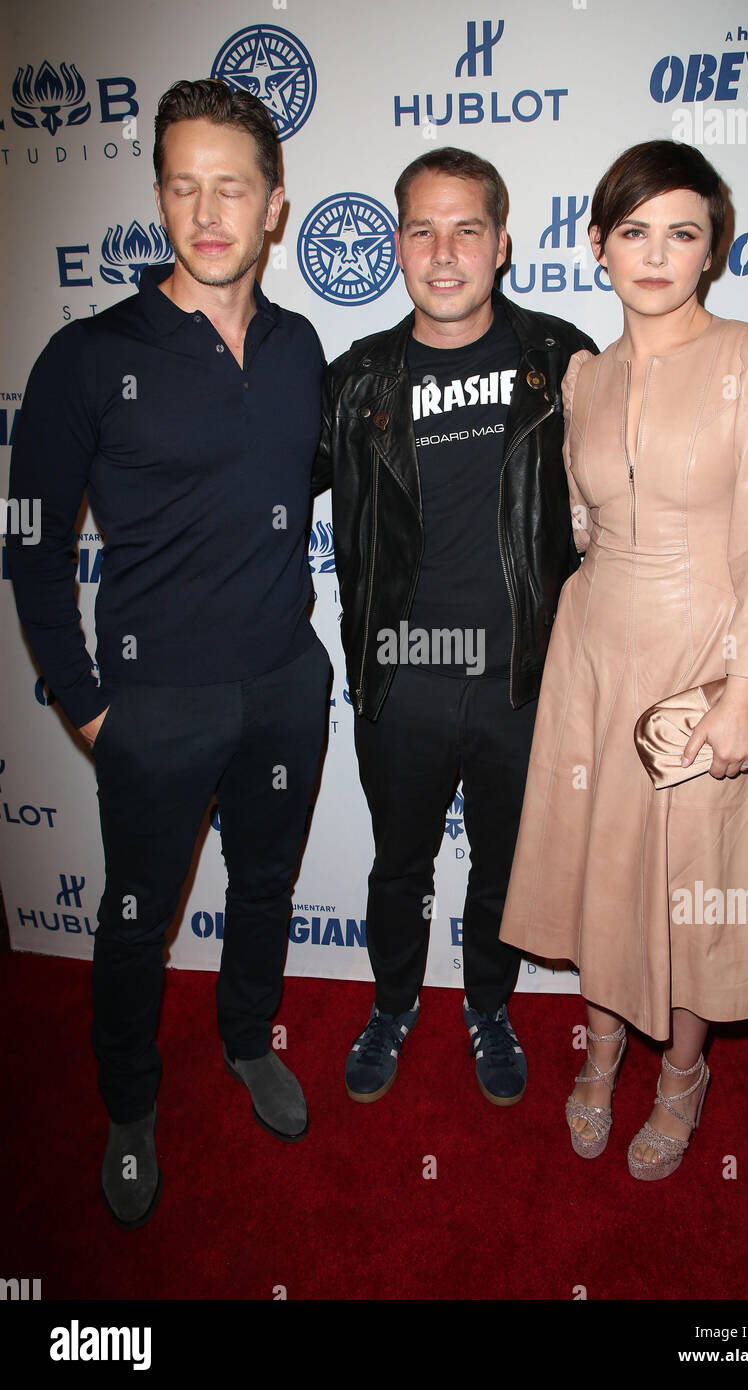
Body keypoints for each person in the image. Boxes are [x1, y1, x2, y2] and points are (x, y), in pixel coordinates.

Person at [7, 79, 331, 1228]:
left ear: (274, 205)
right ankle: (130, 1108)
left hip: (288, 685)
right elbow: (32, 548)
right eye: (183, 184)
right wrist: (91, 710)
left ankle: (248, 1040)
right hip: (155, 703)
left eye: (230, 185)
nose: (206, 209)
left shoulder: (300, 347)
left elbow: (336, 468)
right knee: (138, 916)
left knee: (265, 887)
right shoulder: (87, 355)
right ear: (158, 194)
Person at [499, 140, 748, 1178]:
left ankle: (680, 1072)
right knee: (605, 870)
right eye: (632, 231)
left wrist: (745, 690)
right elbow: (586, 523)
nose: (654, 253)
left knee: (693, 887)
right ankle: (598, 1053)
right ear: (597, 246)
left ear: (710, 248)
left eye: (680, 232)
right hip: (591, 653)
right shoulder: (584, 376)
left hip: (704, 664)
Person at [313, 147, 598, 1106]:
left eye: (466, 228)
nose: (444, 252)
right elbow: (244, 462)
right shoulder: (354, 383)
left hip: (523, 679)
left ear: (501, 242)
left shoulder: (562, 359)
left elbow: (668, 421)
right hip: (403, 676)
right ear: (397, 244)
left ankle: (487, 1005)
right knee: (400, 867)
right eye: (422, 229)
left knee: (502, 872)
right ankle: (394, 1004)